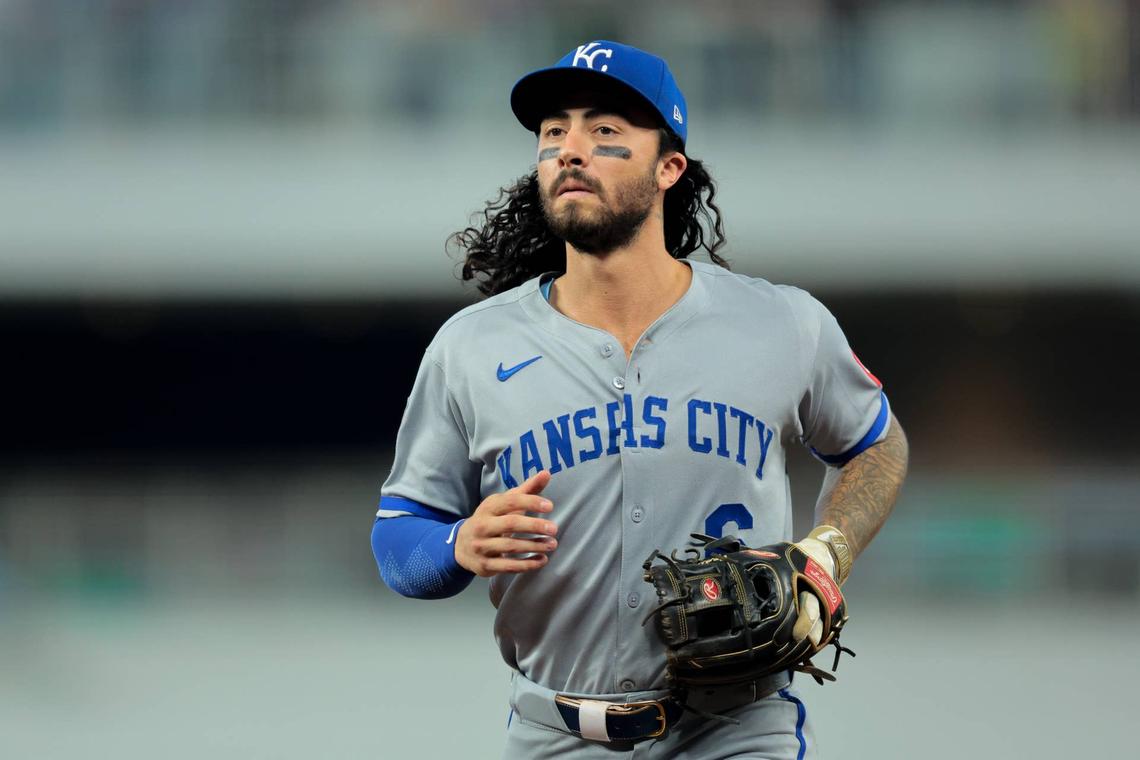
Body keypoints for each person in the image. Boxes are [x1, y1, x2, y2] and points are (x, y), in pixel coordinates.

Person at [371, 40, 909, 759]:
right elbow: (399, 531)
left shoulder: (782, 323)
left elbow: (877, 440)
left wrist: (826, 555)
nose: (570, 150)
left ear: (669, 168)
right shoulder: (472, 348)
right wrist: (456, 543)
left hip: (738, 730)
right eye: (553, 133)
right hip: (557, 734)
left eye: (605, 133)